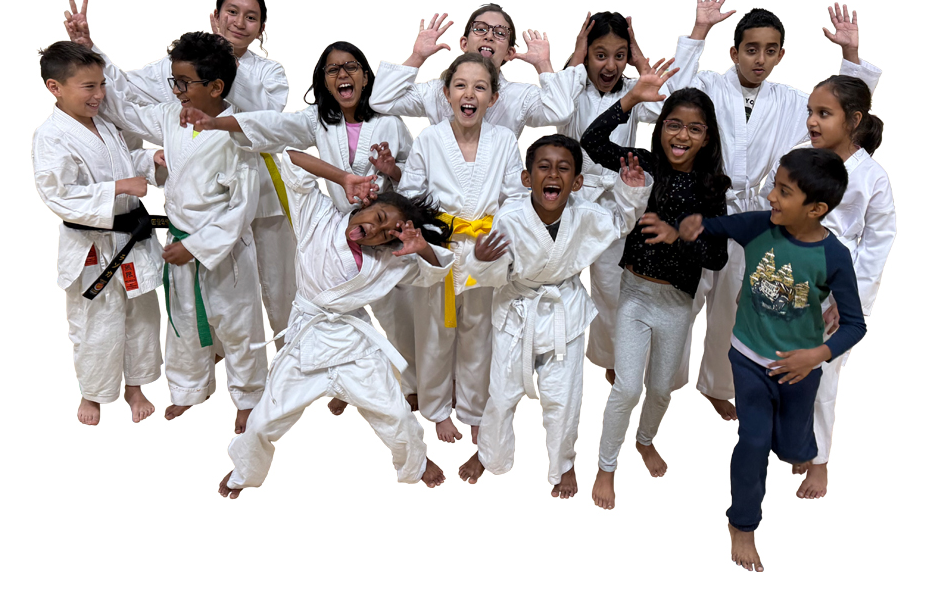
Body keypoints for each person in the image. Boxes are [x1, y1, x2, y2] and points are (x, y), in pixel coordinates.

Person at [670, 0, 883, 422]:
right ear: (734, 52)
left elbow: (840, 108)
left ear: (781, 55)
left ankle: (715, 385)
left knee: (732, 306)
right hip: (703, 203)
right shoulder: (708, 85)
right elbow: (673, 94)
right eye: (751, 49)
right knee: (678, 300)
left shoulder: (788, 100)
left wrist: (851, 56)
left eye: (770, 51)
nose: (759, 59)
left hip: (755, 213)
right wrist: (700, 30)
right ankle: (664, 377)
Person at [187, 41, 418, 413]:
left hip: (385, 233)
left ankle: (412, 385)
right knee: (339, 311)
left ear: (365, 76)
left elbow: (416, 178)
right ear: (324, 82)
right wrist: (216, 122)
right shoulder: (318, 122)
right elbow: (272, 126)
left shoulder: (389, 121)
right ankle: (341, 381)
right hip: (342, 232)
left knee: (396, 313)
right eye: (333, 70)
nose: (343, 75)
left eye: (352, 67)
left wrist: (392, 171)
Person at [61, 0, 298, 350]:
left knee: (279, 284)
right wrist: (92, 51)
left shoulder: (270, 73)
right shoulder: (182, 63)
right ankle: (217, 352)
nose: (239, 22)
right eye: (231, 12)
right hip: (207, 196)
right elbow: (128, 95)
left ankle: (295, 355)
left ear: (261, 28)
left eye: (250, 17)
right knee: (217, 283)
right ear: (215, 16)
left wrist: (225, 62)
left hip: (259, 190)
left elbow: (266, 120)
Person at [216, 150, 452, 496]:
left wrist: (421, 249)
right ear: (364, 205)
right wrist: (343, 178)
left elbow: (435, 274)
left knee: (396, 414)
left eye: (387, 233)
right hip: (305, 341)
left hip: (353, 345)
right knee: (264, 420)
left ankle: (415, 462)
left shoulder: (388, 260)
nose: (377, 230)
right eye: (379, 216)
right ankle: (245, 472)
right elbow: (291, 159)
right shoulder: (318, 215)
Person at [677, 147, 867, 573]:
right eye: (773, 187)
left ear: (816, 209)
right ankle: (742, 524)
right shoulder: (760, 226)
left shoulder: (834, 257)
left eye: (783, 191)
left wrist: (816, 356)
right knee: (754, 440)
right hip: (747, 358)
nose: (770, 198)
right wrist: (693, 228)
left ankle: (801, 451)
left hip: (800, 370)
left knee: (793, 444)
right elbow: (718, 226)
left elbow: (855, 325)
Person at [92, 31, 269, 435]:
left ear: (216, 87)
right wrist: (91, 49)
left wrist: (196, 247)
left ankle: (248, 398)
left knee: (237, 325)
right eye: (174, 81)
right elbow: (124, 107)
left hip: (223, 248)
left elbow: (243, 206)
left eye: (183, 83)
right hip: (179, 239)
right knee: (184, 320)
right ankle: (190, 389)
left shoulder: (238, 133)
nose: (175, 90)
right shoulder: (172, 114)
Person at [457, 135, 650, 498]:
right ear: (527, 178)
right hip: (517, 313)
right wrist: (480, 261)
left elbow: (619, 222)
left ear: (577, 182)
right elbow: (498, 275)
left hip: (566, 313)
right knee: (500, 394)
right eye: (543, 167)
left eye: (564, 169)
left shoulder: (586, 213)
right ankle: (488, 454)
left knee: (564, 399)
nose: (554, 175)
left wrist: (631, 192)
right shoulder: (510, 216)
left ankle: (564, 462)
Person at [579, 63, 731, 509]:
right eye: (673, 125)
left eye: (694, 129)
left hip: (677, 304)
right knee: (626, 387)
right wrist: (630, 100)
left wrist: (679, 233)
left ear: (707, 138)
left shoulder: (711, 186)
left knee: (661, 389)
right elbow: (591, 143)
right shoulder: (642, 164)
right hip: (635, 295)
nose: (681, 136)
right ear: (660, 127)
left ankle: (645, 440)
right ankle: (606, 468)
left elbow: (718, 256)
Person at [542, 11, 697, 379]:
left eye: (619, 55)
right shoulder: (570, 85)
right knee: (552, 283)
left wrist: (643, 63)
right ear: (584, 53)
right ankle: (548, 353)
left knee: (611, 290)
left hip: (615, 202)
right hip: (565, 198)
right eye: (599, 54)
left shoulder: (634, 88)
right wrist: (574, 60)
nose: (610, 65)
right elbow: (555, 107)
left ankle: (613, 358)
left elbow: (667, 109)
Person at [762, 75, 896, 499]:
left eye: (824, 114)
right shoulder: (801, 157)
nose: (812, 122)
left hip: (834, 291)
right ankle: (792, 440)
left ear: (853, 120)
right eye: (810, 112)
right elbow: (774, 203)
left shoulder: (872, 177)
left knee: (823, 375)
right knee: (776, 361)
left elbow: (877, 242)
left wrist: (850, 300)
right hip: (785, 275)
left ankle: (818, 460)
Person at [395, 53, 526, 445]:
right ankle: (436, 408)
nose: (470, 93)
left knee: (478, 331)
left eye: (480, 87)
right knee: (435, 330)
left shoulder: (504, 140)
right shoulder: (429, 139)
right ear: (446, 93)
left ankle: (472, 408)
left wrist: (495, 240)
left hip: (486, 249)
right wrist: (436, 232)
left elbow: (516, 198)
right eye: (461, 85)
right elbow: (411, 195)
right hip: (438, 248)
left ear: (494, 98)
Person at [31, 41, 164, 426]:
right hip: (92, 246)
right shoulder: (51, 136)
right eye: (88, 87)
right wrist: (120, 188)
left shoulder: (104, 122)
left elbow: (127, 159)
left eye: (101, 85)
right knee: (97, 323)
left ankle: (136, 386)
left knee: (141, 315)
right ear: (55, 87)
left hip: (131, 239)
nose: (100, 95)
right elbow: (59, 195)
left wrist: (149, 161)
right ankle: (93, 393)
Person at [369, 4, 571, 137]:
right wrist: (417, 57)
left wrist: (543, 65)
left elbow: (560, 113)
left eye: (500, 33)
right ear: (464, 43)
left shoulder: (520, 97)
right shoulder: (437, 91)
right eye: (480, 28)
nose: (489, 36)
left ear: (510, 53)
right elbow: (381, 100)